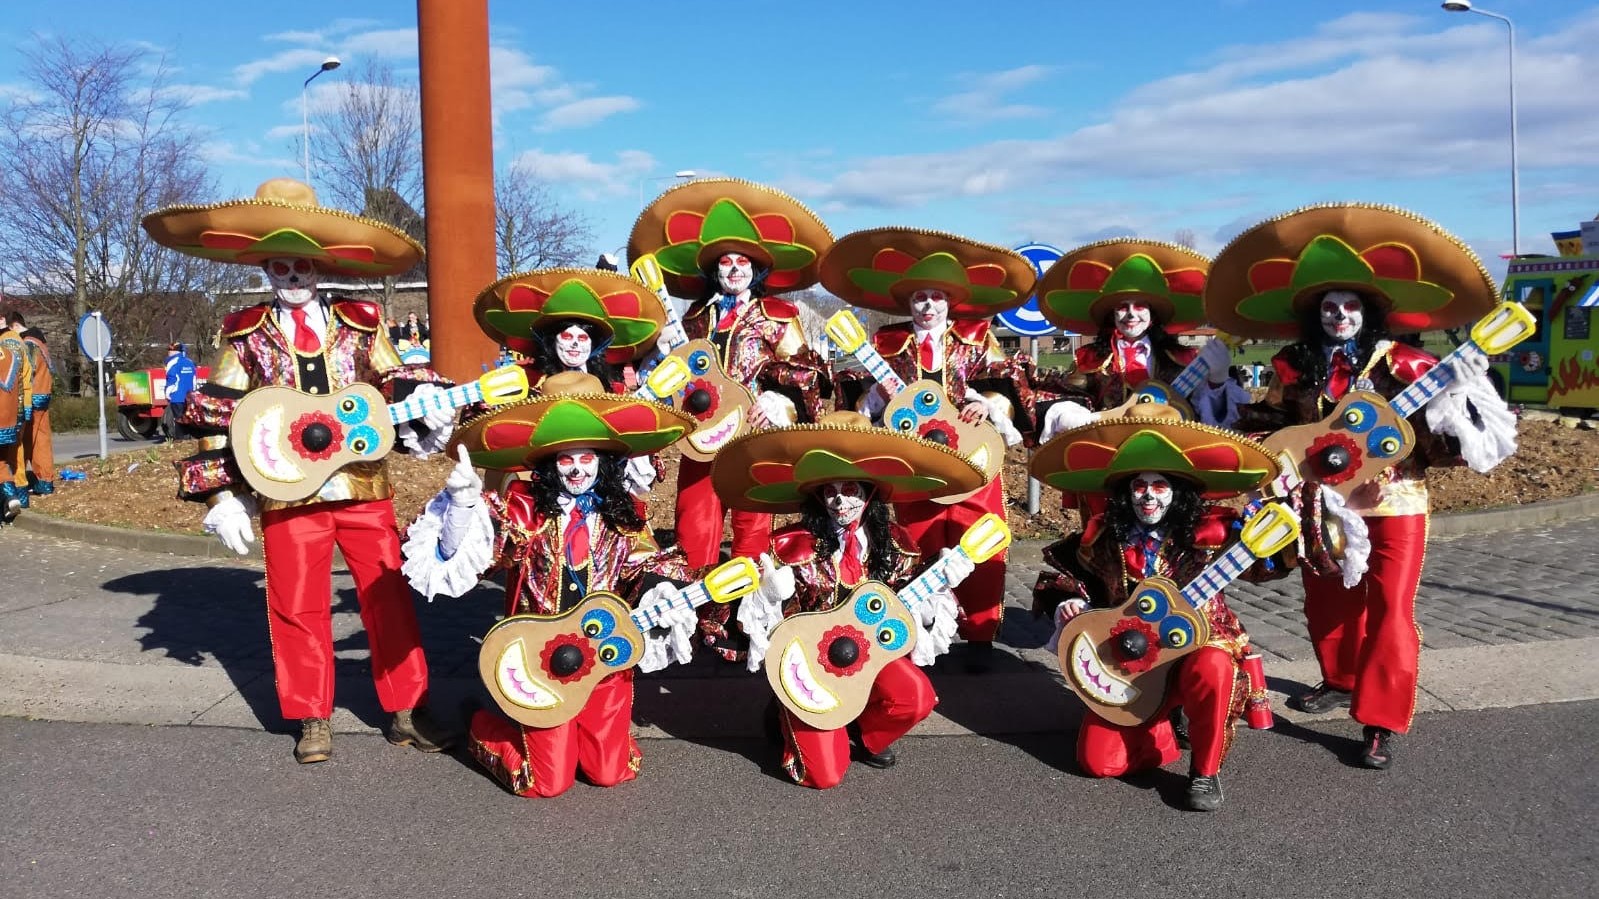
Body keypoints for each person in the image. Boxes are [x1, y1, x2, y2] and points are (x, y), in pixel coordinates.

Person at [142, 177, 462, 765]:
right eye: (279, 266)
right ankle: (312, 715)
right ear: (266, 269)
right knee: (296, 602)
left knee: (388, 596)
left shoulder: (364, 321)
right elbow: (217, 411)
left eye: (301, 266)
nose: (291, 277)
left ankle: (407, 709)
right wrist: (221, 499)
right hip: (285, 492)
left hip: (363, 481)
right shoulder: (242, 334)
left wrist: (424, 418)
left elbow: (391, 386)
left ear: (318, 266)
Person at [1195, 203, 1516, 770]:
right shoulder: (1292, 366)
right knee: (1326, 599)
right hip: (1324, 503)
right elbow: (1274, 429)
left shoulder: (1411, 365)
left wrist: (1454, 402)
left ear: (1366, 312)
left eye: (1349, 306)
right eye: (1328, 306)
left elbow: (1445, 449)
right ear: (1314, 314)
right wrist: (1221, 391)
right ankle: (1340, 679)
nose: (1339, 314)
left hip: (1397, 502)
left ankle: (1378, 719)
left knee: (1391, 609)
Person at [400, 371, 700, 797]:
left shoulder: (624, 513)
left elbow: (645, 565)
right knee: (546, 783)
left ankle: (584, 736)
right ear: (547, 463)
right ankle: (485, 724)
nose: (577, 469)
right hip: (540, 658)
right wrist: (463, 505)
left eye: (586, 457)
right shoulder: (523, 511)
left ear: (604, 460)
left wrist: (661, 589)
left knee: (609, 773)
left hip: (602, 655)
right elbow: (455, 560)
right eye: (565, 458)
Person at [710, 410, 986, 788]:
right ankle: (786, 715)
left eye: (849, 490)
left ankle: (862, 732)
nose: (839, 502)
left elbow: (904, 600)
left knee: (916, 698)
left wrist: (937, 582)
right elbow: (762, 627)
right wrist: (770, 596)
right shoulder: (789, 547)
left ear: (869, 491)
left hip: (869, 659)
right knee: (824, 776)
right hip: (813, 667)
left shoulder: (895, 541)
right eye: (829, 492)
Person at [1030, 405, 1288, 811]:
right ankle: (1160, 724)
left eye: (1160, 485)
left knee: (1213, 667)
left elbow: (1263, 568)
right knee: (1099, 762)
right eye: (1138, 485)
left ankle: (1205, 771)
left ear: (1178, 491)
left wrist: (1276, 541)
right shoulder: (1104, 537)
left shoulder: (1213, 532)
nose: (1148, 495)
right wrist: (1070, 600)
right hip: (1130, 660)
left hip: (1198, 647)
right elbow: (1064, 578)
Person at [628, 178, 834, 662]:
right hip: (700, 439)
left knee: (752, 529)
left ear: (757, 268)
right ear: (714, 271)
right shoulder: (694, 318)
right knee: (694, 528)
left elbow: (804, 371)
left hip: (754, 440)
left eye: (743, 262)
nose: (734, 268)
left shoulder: (779, 315)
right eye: (725, 262)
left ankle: (747, 619)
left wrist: (772, 399)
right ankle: (698, 618)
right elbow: (674, 370)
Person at [818, 227, 1037, 671]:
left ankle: (979, 637)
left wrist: (984, 404)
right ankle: (913, 633)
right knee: (914, 545)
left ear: (949, 302)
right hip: (912, 464)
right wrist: (875, 406)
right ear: (908, 302)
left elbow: (1007, 386)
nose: (928, 305)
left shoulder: (976, 340)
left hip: (972, 463)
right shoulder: (884, 345)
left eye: (937, 296)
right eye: (920, 297)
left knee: (979, 546)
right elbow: (860, 401)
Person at [1031, 239, 1215, 441]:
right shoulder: (1090, 359)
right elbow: (1065, 395)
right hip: (1107, 446)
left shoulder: (1182, 359)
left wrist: (1218, 379)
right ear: (1112, 315)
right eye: (1122, 307)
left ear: (1152, 314)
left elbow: (1204, 411)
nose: (1131, 314)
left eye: (1139, 306)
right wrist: (1071, 415)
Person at [0, 309, 31, 519]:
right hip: (12, 415)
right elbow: (27, 378)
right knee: (5, 458)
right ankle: (13, 496)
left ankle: (11, 496)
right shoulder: (16, 348)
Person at [19, 323, 55, 495]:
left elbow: (27, 371)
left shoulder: (29, 343)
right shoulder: (40, 343)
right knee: (41, 439)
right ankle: (45, 481)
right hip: (43, 395)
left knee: (23, 442)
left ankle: (18, 484)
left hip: (32, 398)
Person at [159, 342, 196, 443]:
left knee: (178, 419)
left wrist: (167, 393)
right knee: (188, 417)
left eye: (171, 350)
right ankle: (188, 438)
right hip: (189, 396)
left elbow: (172, 379)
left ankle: (180, 440)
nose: (169, 352)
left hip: (177, 396)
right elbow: (194, 379)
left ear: (177, 351)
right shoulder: (190, 362)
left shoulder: (172, 363)